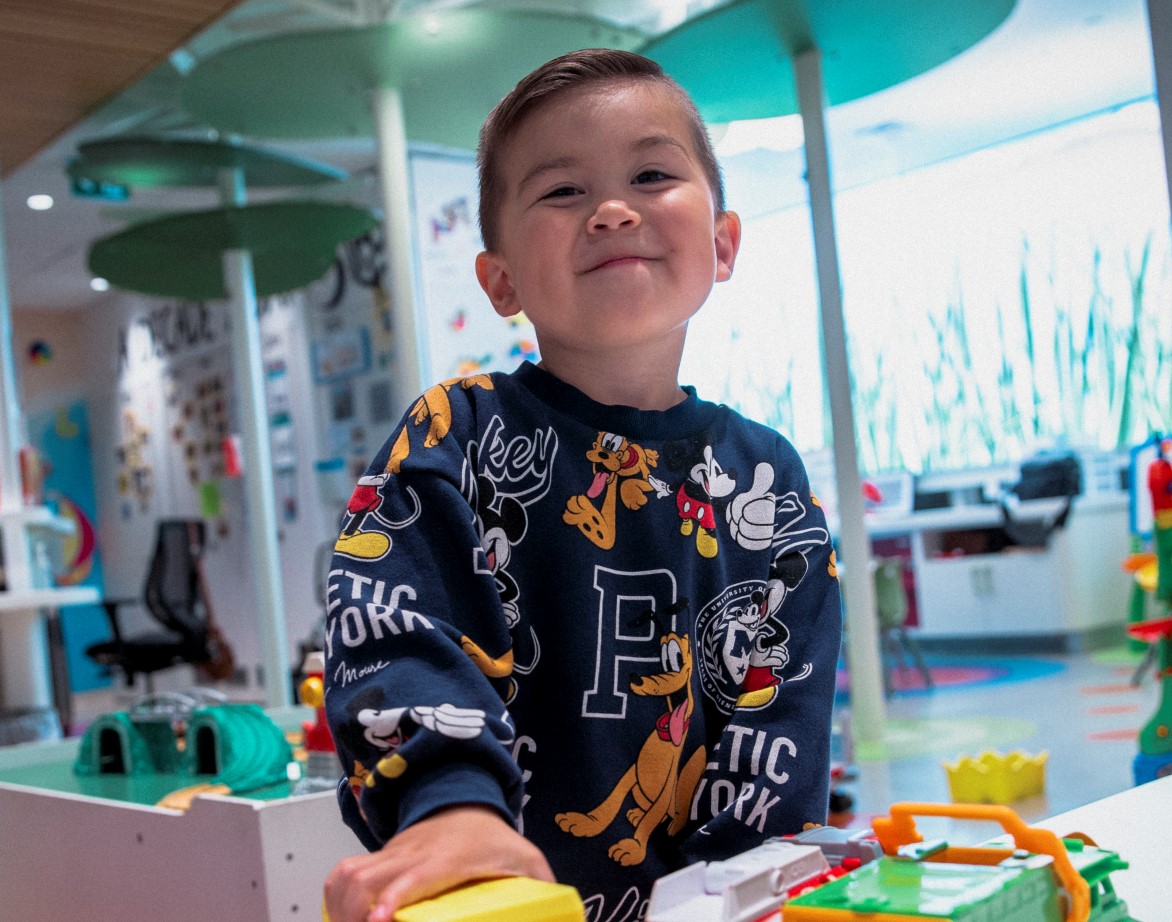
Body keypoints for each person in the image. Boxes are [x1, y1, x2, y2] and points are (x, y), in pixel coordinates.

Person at [321, 48, 843, 922]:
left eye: (649, 173)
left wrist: (737, 887)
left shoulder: (767, 477)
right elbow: (394, 629)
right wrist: (451, 807)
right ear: (501, 280)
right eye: (562, 192)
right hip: (502, 896)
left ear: (722, 243)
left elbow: (779, 718)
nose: (610, 211)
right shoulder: (459, 432)